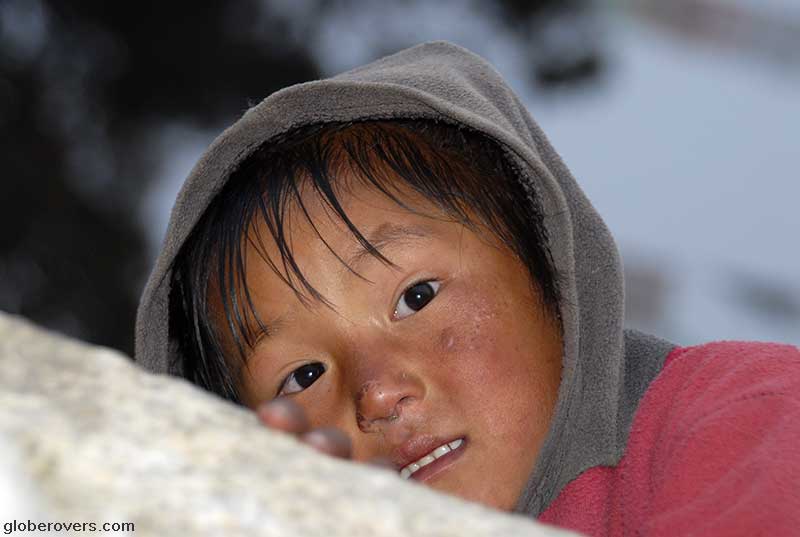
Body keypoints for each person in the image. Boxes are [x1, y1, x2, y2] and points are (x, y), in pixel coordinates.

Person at [135, 41, 800, 535]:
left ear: (553, 272)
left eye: (416, 297)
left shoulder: (738, 414)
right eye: (302, 373)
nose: (376, 393)